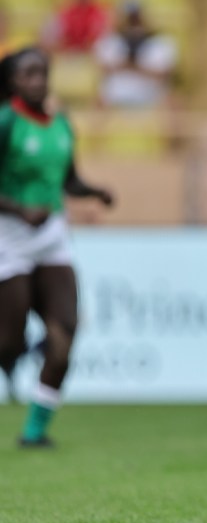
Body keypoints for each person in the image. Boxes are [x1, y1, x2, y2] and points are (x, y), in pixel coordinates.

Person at [0, 46, 115, 446]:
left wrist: (94, 192)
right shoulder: (5, 122)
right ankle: (12, 355)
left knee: (64, 335)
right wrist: (17, 208)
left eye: (42, 72)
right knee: (8, 341)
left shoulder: (62, 124)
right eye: (27, 74)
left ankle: (34, 431)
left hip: (51, 237)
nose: (37, 80)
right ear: (12, 80)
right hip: (8, 238)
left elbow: (68, 180)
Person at [93, 0, 178, 108]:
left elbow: (164, 73)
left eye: (136, 18)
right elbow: (103, 68)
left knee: (174, 101)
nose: (133, 23)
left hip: (151, 95)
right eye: (130, 18)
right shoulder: (110, 41)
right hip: (116, 94)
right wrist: (136, 65)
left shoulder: (161, 42)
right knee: (98, 101)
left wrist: (131, 64)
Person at [41, 0, 110, 55]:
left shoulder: (100, 9)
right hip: (68, 54)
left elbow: (102, 35)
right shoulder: (65, 9)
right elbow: (52, 34)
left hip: (92, 55)